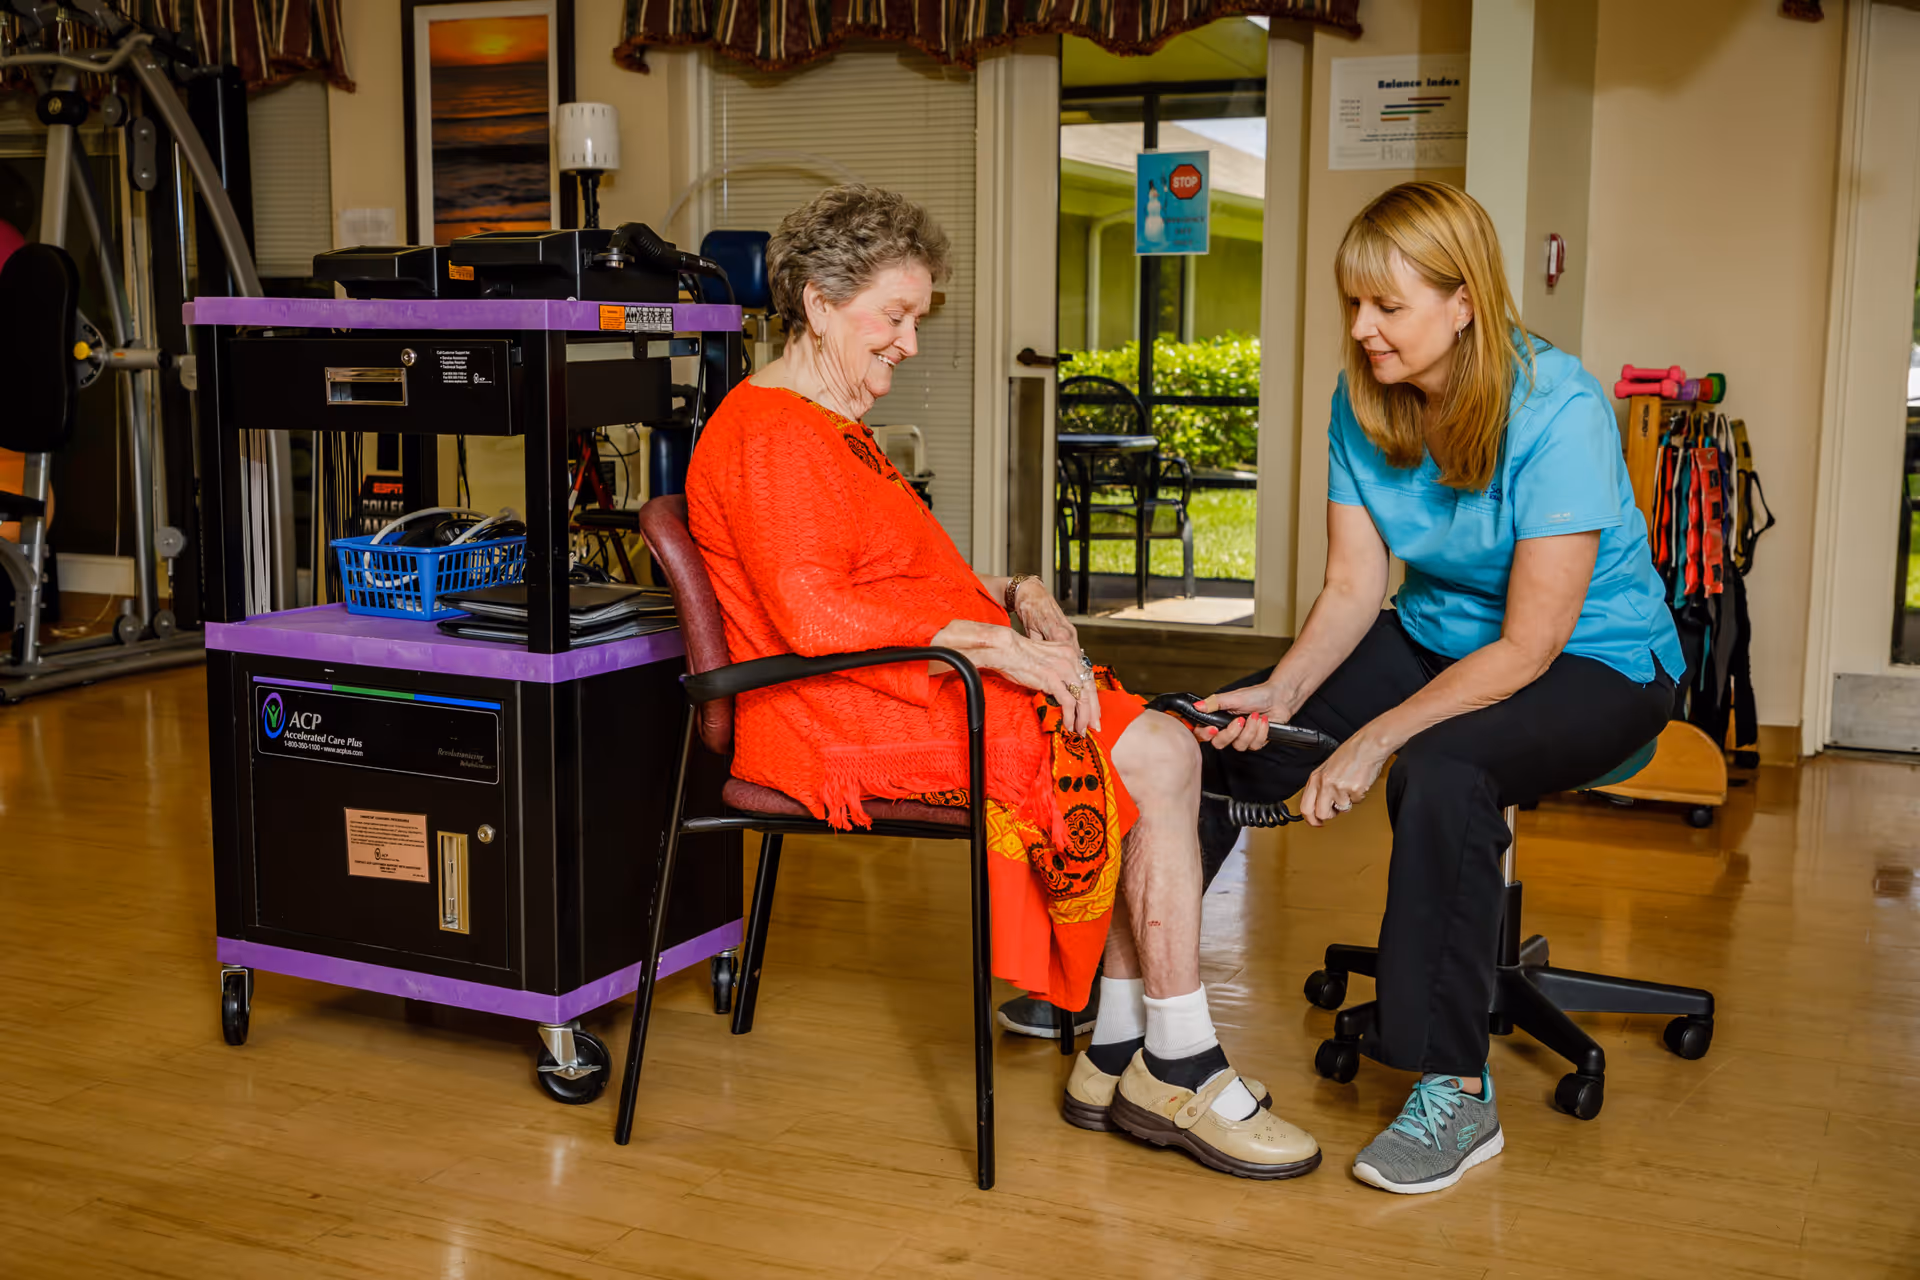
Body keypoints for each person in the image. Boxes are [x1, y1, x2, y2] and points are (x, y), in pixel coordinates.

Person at [685, 185, 1319, 1180]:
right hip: (831, 714)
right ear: (816, 303)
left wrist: (1012, 595)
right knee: (1151, 748)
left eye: (916, 320)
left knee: (1139, 743)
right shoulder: (770, 434)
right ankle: (1178, 1057)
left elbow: (889, 574)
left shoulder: (822, 419)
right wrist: (990, 645)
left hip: (891, 680)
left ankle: (1116, 1046)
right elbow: (814, 615)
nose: (908, 343)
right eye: (893, 318)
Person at [1197, 180, 1682, 1194]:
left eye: (1388, 306)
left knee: (1441, 767)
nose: (1363, 330)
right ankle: (1133, 1003)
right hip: (1434, 633)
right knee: (1209, 733)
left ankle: (1454, 1091)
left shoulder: (1558, 405)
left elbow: (1532, 643)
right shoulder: (1360, 400)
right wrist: (1281, 698)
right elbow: (1353, 585)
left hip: (1597, 659)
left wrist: (1372, 738)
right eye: (1352, 305)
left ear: (1464, 302)